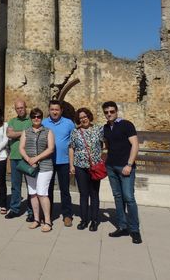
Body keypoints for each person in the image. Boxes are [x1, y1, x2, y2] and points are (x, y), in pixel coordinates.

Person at [102, 101, 142, 244]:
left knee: (129, 198)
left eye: (111, 111)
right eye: (106, 112)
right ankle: (122, 226)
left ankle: (135, 230)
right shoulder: (106, 128)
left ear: (116, 111)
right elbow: (107, 147)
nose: (109, 114)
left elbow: (135, 145)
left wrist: (129, 164)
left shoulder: (126, 124)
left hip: (125, 167)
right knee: (118, 197)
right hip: (111, 167)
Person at [19, 108, 55, 232]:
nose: (36, 118)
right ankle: (36, 219)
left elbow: (50, 149)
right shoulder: (26, 131)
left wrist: (36, 158)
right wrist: (29, 159)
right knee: (32, 193)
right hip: (30, 167)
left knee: (42, 193)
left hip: (45, 166)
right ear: (31, 118)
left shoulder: (48, 131)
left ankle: (48, 221)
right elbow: (21, 148)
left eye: (39, 116)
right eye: (34, 116)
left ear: (42, 117)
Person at [69, 107, 103, 231]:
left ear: (89, 116)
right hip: (80, 166)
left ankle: (94, 220)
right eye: (81, 118)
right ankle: (84, 220)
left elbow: (106, 144)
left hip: (95, 167)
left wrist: (103, 159)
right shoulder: (75, 132)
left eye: (85, 116)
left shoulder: (98, 129)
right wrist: (71, 165)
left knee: (94, 194)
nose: (84, 119)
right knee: (83, 194)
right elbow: (71, 148)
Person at [43, 100, 75, 226]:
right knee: (47, 189)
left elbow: (73, 142)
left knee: (65, 190)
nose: (54, 112)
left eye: (57, 109)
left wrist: (73, 164)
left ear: (61, 110)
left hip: (64, 161)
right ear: (49, 110)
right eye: (52, 109)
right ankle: (48, 215)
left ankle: (67, 215)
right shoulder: (44, 123)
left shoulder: (69, 123)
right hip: (48, 161)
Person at [5, 100, 33, 221]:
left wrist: (16, 133)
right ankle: (15, 209)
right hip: (15, 157)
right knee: (15, 186)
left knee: (31, 186)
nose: (20, 110)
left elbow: (32, 134)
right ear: (15, 109)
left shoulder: (31, 120)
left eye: (22, 107)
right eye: (18, 108)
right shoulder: (12, 121)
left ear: (26, 107)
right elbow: (9, 134)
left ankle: (31, 211)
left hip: (28, 158)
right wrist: (24, 132)